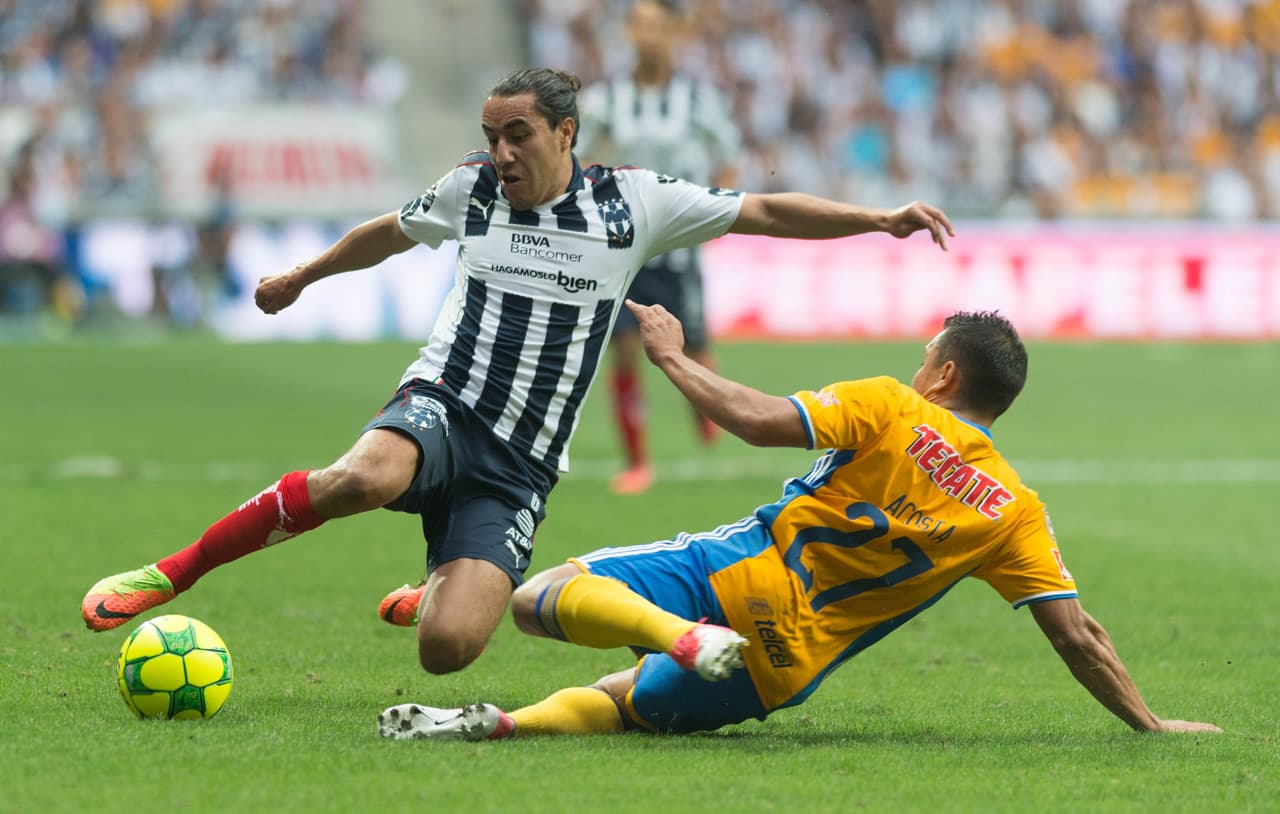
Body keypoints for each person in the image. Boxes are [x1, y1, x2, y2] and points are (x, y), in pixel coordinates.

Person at [81, 67, 953, 678]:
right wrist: (302, 277)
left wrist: (878, 217)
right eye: (492, 135)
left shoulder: (632, 203)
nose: (500, 152)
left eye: (518, 134)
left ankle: (434, 589)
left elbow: (760, 207)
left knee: (448, 649)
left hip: (522, 460)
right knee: (367, 475)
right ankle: (177, 569)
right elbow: (388, 230)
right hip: (445, 400)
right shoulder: (472, 191)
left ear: (565, 132)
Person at [378, 304, 1222, 738]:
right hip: (785, 661)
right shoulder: (1016, 513)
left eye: (925, 353)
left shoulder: (891, 406)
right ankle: (503, 724)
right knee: (625, 705)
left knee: (540, 600)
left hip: (729, 570)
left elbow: (749, 415)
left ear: (944, 372)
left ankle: (674, 634)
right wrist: (1150, 722)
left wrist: (672, 357)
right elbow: (1080, 637)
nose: (915, 363)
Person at [575, 0, 741, 495]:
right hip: (624, 246)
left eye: (658, 27)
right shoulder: (607, 100)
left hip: (680, 250)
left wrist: (716, 211)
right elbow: (579, 159)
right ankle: (636, 461)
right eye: (641, 26)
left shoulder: (698, 100)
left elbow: (728, 159)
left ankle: (705, 405)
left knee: (693, 350)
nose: (649, 36)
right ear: (629, 32)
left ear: (675, 34)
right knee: (625, 349)